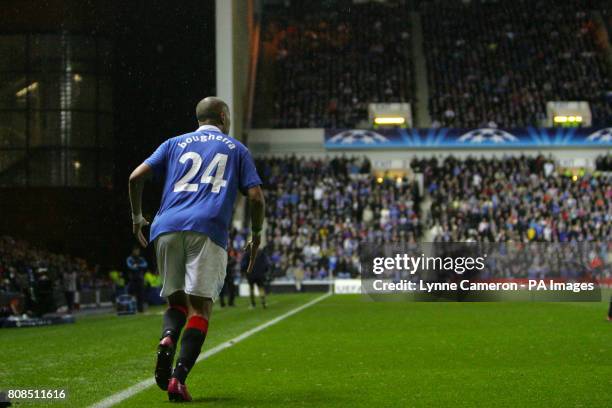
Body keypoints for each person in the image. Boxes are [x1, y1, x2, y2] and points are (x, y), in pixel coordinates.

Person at [128, 96, 265, 402]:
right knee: (200, 308)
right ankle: (178, 379)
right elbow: (256, 197)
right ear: (223, 117)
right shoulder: (236, 149)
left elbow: (135, 177)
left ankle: (167, 337)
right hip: (207, 228)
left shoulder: (173, 143)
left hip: (164, 226)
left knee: (176, 303)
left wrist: (137, 218)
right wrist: (256, 234)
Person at [241, 244, 270, 308]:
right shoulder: (261, 253)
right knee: (261, 288)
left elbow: (243, 264)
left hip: (250, 274)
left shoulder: (247, 253)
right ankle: (263, 302)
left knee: (251, 289)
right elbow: (266, 263)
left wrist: (243, 271)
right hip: (260, 274)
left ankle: (253, 304)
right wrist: (265, 270)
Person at [126, 246, 148, 312]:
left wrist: (137, 265)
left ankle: (140, 309)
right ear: (133, 251)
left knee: (140, 295)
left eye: (138, 250)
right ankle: (131, 309)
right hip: (132, 279)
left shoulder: (141, 259)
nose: (137, 252)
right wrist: (136, 266)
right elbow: (130, 266)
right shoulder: (130, 258)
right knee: (132, 294)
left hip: (140, 279)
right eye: (136, 250)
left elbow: (145, 265)